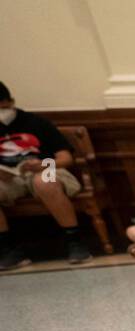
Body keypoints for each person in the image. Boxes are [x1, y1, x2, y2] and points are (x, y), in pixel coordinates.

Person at [0, 80, 91, 269]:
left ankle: (74, 240)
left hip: (48, 168)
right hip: (10, 178)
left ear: (11, 102)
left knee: (45, 182)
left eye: (3, 106)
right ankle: (8, 249)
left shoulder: (36, 122)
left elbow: (65, 158)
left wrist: (43, 165)